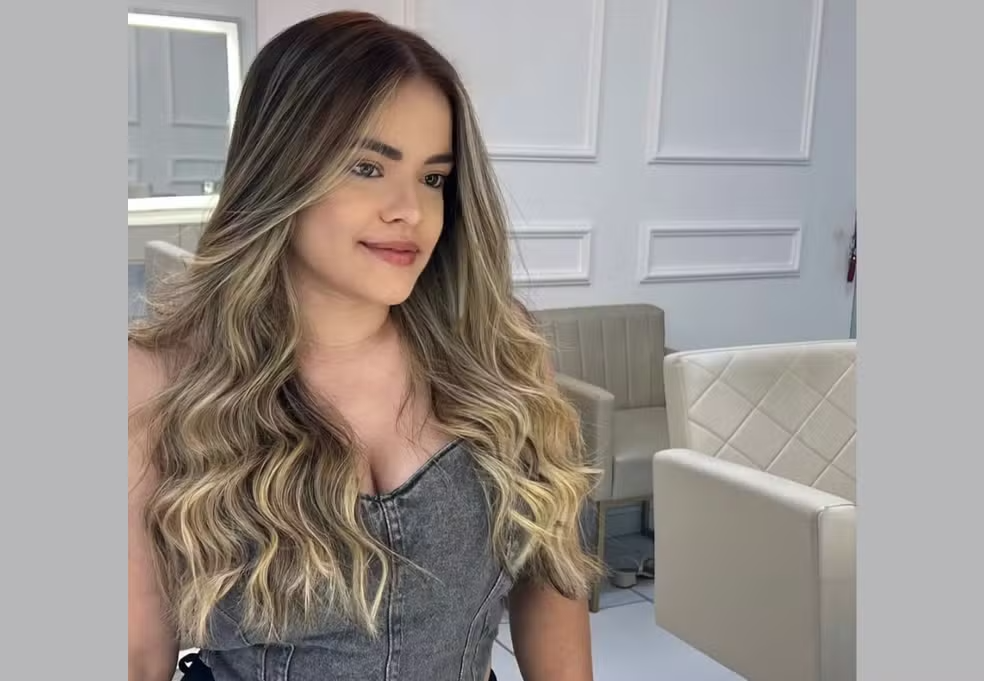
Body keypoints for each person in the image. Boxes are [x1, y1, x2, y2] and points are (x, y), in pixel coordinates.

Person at [128, 11, 603, 681]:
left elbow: (550, 580)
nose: (409, 209)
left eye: (433, 178)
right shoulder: (158, 379)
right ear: (279, 170)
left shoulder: (499, 353)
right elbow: (137, 654)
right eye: (367, 167)